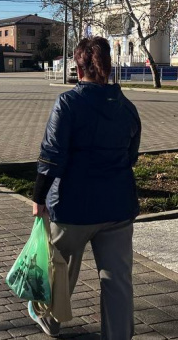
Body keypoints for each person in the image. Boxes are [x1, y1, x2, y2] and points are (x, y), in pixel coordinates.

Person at [28, 37, 141, 339]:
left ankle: (51, 321)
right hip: (118, 208)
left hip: (72, 208)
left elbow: (51, 157)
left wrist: (38, 197)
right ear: (109, 68)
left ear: (78, 69)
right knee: (117, 280)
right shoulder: (127, 108)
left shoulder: (68, 103)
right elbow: (131, 157)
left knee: (59, 268)